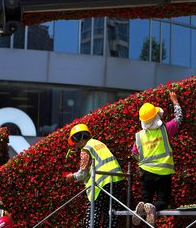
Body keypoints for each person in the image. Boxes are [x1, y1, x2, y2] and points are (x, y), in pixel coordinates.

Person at [131, 91, 183, 227]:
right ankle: (152, 207)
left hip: (146, 174)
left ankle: (144, 206)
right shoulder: (165, 129)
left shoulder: (139, 136)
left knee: (146, 200)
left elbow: (135, 153)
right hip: (163, 173)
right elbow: (179, 118)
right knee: (162, 201)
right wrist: (175, 102)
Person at [65, 123, 125, 228]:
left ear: (78, 138)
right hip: (117, 179)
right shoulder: (98, 143)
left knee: (93, 216)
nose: (75, 145)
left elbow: (83, 173)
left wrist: (73, 176)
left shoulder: (86, 149)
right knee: (111, 215)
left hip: (101, 183)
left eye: (74, 141)